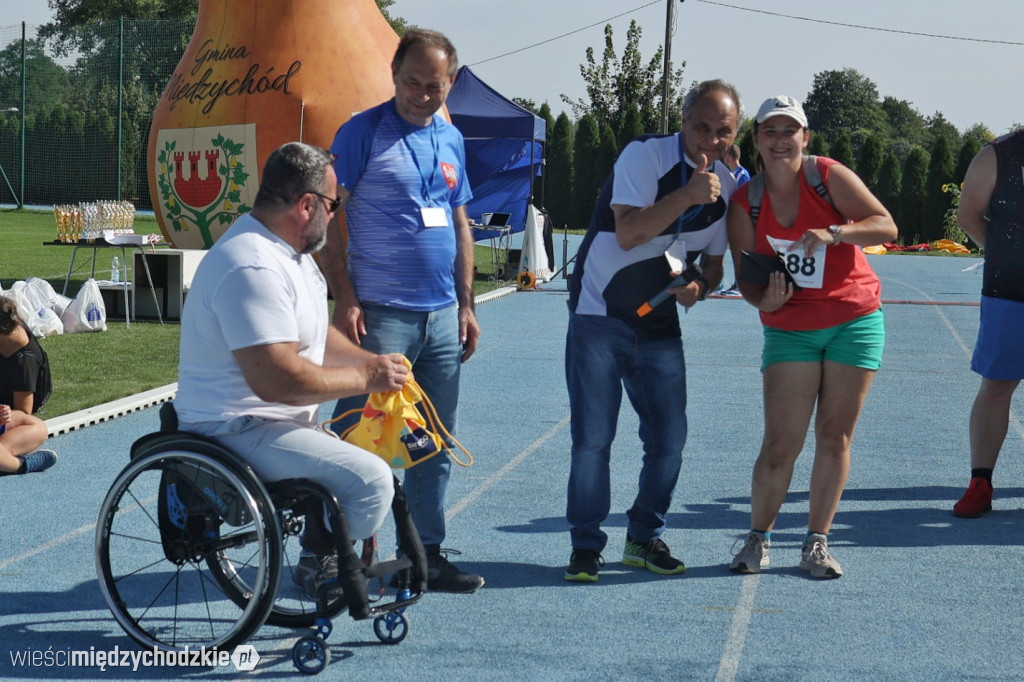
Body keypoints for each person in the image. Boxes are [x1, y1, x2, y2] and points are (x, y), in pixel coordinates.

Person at [174, 141, 411, 598]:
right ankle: (324, 554)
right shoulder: (253, 265)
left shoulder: (288, 254)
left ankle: (324, 550)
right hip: (232, 427)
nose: (334, 215)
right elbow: (278, 380)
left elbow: (314, 341)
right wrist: (367, 379)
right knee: (372, 482)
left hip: (265, 422)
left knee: (369, 471)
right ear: (308, 205)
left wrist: (373, 362)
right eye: (333, 204)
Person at [319, 28, 483, 593]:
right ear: (393, 76)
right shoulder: (361, 132)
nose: (421, 94)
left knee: (431, 439)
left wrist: (466, 304)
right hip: (379, 316)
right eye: (411, 82)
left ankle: (423, 555)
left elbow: (459, 222)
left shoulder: (452, 137)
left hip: (441, 317)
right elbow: (325, 218)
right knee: (352, 436)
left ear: (451, 84)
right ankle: (321, 552)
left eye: (433, 86)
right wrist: (345, 295)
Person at [563, 79, 743, 582]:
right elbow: (628, 233)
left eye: (721, 131)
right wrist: (686, 195)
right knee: (594, 439)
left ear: (735, 132)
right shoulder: (644, 155)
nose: (709, 139)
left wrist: (699, 289)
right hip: (599, 313)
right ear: (682, 120)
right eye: (700, 126)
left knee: (669, 439)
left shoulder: (730, 187)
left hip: (658, 321)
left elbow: (712, 266)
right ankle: (585, 545)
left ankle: (642, 537)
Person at [725, 95, 897, 579]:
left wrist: (836, 233)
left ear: (806, 136)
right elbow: (747, 280)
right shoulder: (746, 201)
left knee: (835, 436)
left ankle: (816, 542)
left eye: (789, 131)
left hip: (854, 319)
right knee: (781, 442)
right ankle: (757, 538)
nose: (780, 141)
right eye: (770, 132)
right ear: (756, 140)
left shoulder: (828, 176)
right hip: (790, 329)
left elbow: (886, 224)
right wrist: (765, 302)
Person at [952, 128, 1024, 518]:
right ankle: (981, 482)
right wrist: (1004, 256)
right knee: (997, 386)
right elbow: (968, 216)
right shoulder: (998, 154)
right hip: (1009, 291)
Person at [0, 296, 57, 476]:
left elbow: (24, 412)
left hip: (6, 419)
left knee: (38, 428)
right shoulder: (8, 327)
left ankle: (21, 464)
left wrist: (5, 413)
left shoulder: (24, 362)